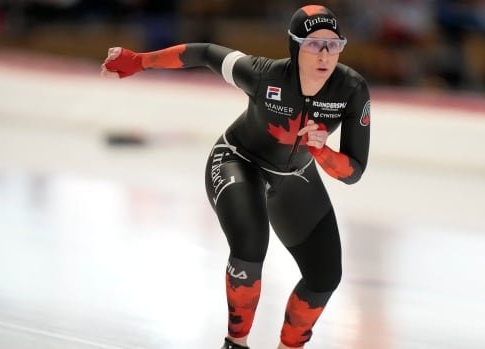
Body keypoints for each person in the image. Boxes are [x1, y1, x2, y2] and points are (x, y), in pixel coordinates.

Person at [101, 5, 371, 349]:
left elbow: (353, 172)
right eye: (312, 44)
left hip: (295, 175)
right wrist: (140, 61)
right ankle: (236, 343)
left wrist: (322, 152)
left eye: (333, 45)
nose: (324, 55)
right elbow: (205, 53)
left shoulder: (351, 89)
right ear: (293, 46)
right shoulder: (263, 75)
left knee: (325, 276)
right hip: (238, 161)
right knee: (250, 246)